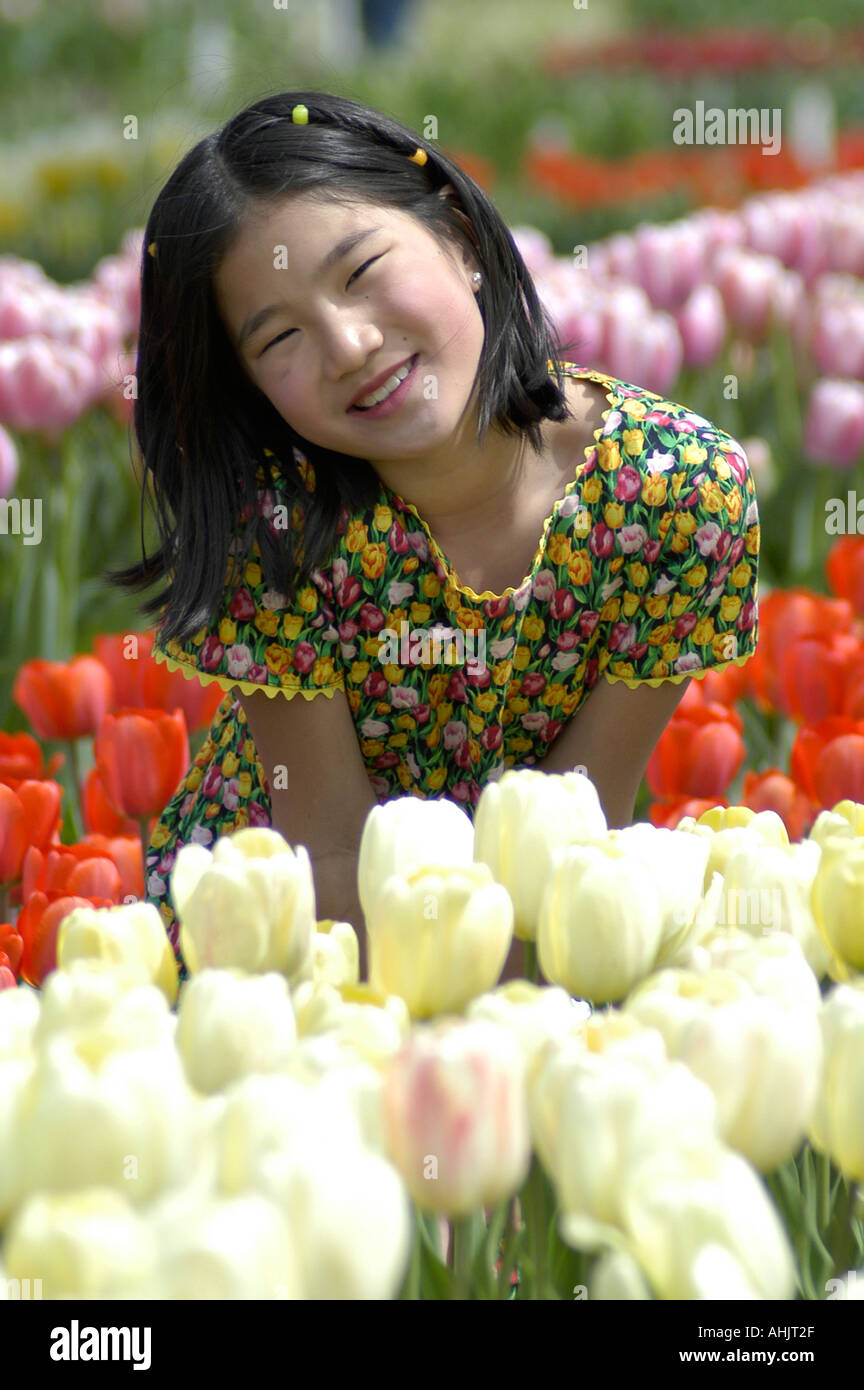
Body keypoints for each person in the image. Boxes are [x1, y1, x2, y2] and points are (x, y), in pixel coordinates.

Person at [107, 90, 760, 988]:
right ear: (250, 387)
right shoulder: (284, 529)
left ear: (457, 234)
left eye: (362, 269)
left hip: (525, 956)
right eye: (280, 337)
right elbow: (333, 863)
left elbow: (581, 830)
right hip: (279, 959)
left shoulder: (672, 496)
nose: (349, 344)